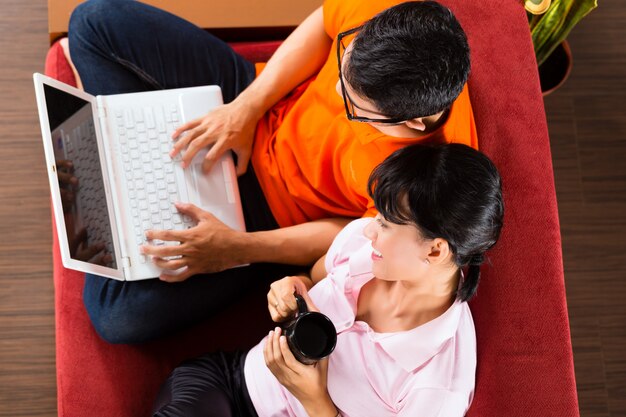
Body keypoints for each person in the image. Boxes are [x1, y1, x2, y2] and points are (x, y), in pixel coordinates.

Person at [65, 0, 476, 343]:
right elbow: (322, 25)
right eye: (344, 65)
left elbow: (352, 234)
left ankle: (130, 144)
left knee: (116, 317)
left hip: (273, 218)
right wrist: (245, 109)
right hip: (256, 100)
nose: (335, 91)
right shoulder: (396, 14)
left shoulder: (432, 176)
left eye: (355, 106)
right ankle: (139, 151)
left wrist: (234, 247)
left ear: (415, 122)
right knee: (92, 20)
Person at [151, 143, 505, 417]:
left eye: (385, 224)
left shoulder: (438, 387)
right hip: (233, 384)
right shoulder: (366, 248)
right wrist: (291, 286)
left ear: (435, 251)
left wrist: (316, 402)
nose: (368, 229)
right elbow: (310, 277)